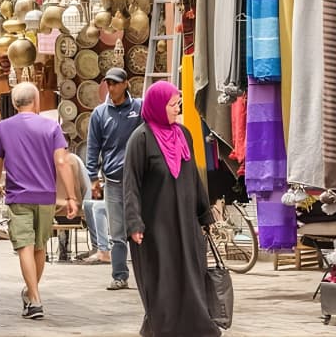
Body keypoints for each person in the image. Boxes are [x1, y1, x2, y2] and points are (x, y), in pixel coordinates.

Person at [124, 81, 220, 337]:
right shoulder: (141, 138)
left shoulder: (184, 134)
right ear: (157, 106)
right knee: (162, 278)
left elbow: (193, 177)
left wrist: (204, 213)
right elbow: (130, 184)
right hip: (156, 225)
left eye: (178, 104)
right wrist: (134, 223)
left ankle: (197, 326)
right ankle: (161, 327)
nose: (177, 109)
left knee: (190, 273)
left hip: (186, 221)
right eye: (173, 105)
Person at [0, 82, 77, 320]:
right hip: (46, 196)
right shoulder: (51, 127)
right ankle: (32, 295)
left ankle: (34, 297)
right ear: (36, 101)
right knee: (39, 247)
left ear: (15, 103)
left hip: (18, 196)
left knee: (24, 247)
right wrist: (71, 196)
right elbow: (62, 162)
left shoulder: (2, 127)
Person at [86, 67, 142, 290]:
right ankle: (119, 275)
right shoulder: (99, 114)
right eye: (108, 83)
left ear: (126, 83)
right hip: (114, 181)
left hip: (139, 180)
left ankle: (148, 275)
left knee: (140, 229)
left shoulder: (139, 108)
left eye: (116, 83)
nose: (112, 87)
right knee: (117, 232)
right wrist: (93, 177)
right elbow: (93, 147)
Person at [54, 151, 90, 262]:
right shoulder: (75, 159)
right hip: (75, 212)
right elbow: (86, 187)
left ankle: (62, 247)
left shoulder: (46, 159)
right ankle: (65, 247)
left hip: (52, 215)